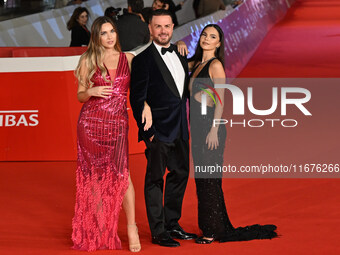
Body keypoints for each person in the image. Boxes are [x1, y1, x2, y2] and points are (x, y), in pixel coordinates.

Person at [188, 24, 278, 244]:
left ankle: (211, 231)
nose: (206, 39)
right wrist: (180, 44)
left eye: (212, 37)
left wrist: (214, 129)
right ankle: (213, 225)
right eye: (204, 35)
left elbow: (220, 99)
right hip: (198, 127)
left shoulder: (215, 65)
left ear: (219, 44)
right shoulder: (197, 64)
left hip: (210, 126)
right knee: (203, 178)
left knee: (209, 178)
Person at [71, 16, 151, 252]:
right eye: (103, 33)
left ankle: (131, 226)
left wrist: (145, 105)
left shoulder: (129, 58)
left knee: (122, 175)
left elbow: (139, 90)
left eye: (112, 32)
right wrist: (92, 90)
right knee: (95, 176)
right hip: (91, 123)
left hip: (117, 124)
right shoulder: (88, 59)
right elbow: (80, 95)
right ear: (96, 36)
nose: (109, 37)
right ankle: (102, 227)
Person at [129, 9, 197, 247]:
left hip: (180, 127)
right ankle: (158, 231)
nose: (163, 31)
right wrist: (148, 132)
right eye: (158, 26)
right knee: (155, 179)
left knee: (181, 174)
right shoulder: (142, 60)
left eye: (167, 26)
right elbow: (137, 98)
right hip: (158, 130)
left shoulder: (179, 53)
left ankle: (172, 223)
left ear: (172, 27)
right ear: (150, 28)